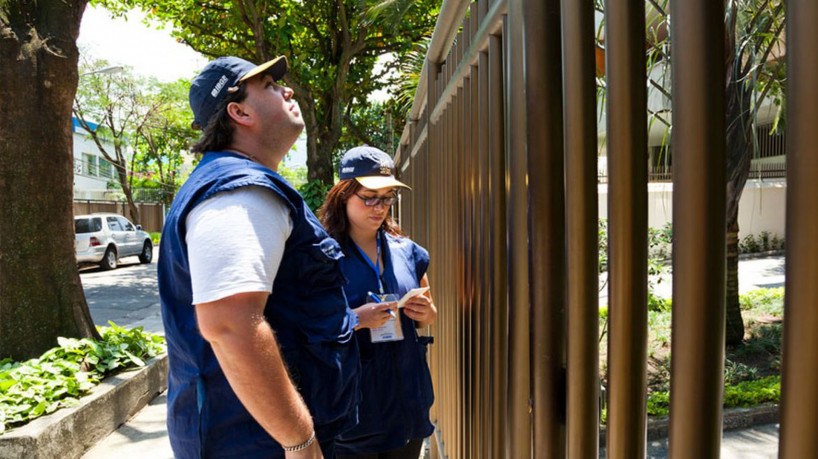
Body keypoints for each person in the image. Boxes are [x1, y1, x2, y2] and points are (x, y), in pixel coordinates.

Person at [158, 56, 365, 459]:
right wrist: (300, 442)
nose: (287, 90)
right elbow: (230, 324)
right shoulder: (239, 190)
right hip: (258, 443)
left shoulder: (238, 183)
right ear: (239, 112)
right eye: (270, 85)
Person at [319, 146, 438, 459]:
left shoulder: (407, 251)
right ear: (343, 195)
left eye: (387, 197)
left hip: (407, 407)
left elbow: (428, 313)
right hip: (353, 414)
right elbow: (306, 328)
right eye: (369, 197)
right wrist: (356, 319)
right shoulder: (321, 256)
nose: (380, 207)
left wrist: (425, 312)